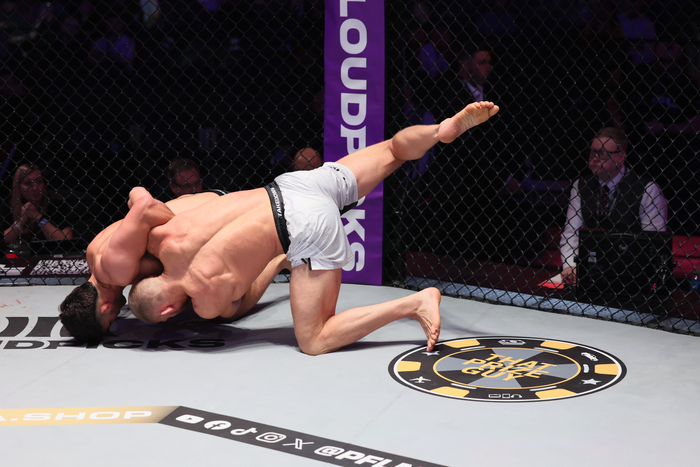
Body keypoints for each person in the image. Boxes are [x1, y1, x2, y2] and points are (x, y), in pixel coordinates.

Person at [126, 101, 500, 356]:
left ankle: (412, 303)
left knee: (314, 340)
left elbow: (240, 303)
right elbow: (143, 201)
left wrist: (277, 262)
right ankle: (439, 130)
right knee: (392, 150)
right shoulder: (166, 240)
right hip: (293, 185)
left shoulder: (206, 302)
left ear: (168, 310)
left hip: (303, 226)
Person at [559, 127, 667, 285]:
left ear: (621, 156)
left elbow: (653, 242)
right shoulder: (580, 185)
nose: (594, 158)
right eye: (592, 152)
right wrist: (571, 266)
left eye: (602, 154)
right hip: (590, 270)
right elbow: (571, 234)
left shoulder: (647, 189)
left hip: (632, 275)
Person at [3, 163, 76, 245]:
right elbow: (3, 240)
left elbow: (66, 242)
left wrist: (39, 218)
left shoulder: (57, 205)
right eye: (28, 183)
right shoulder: (7, 208)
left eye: (39, 182)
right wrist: (21, 222)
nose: (35, 187)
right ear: (18, 186)